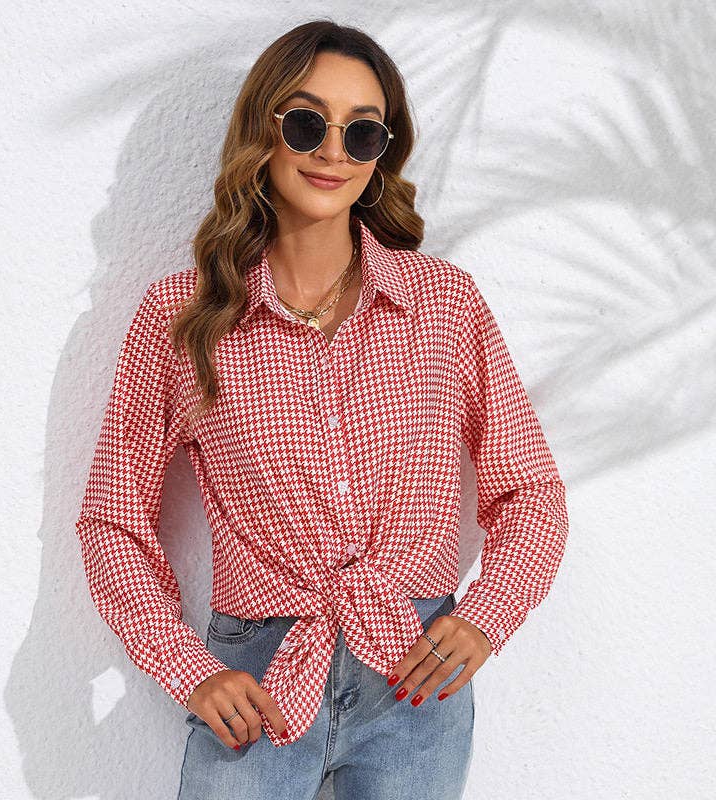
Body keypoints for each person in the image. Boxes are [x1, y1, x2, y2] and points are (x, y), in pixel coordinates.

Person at [74, 19, 569, 800]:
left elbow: (531, 491)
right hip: (258, 686)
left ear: (381, 154)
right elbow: (113, 518)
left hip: (415, 680)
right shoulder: (184, 316)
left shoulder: (443, 305)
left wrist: (486, 616)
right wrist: (188, 669)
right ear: (263, 131)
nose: (333, 151)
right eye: (308, 123)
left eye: (362, 131)